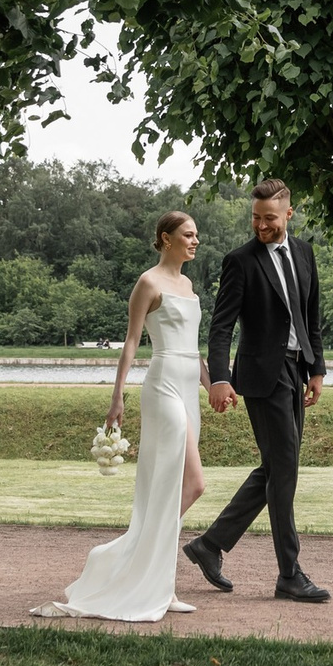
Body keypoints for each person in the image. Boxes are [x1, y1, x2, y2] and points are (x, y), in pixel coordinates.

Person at [33, 212, 211, 621]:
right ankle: (133, 555)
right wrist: (117, 396)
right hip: (163, 387)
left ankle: (159, 581)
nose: (195, 241)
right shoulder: (148, 283)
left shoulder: (188, 286)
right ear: (166, 239)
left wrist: (213, 384)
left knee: (180, 488)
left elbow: (193, 348)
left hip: (189, 387)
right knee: (194, 484)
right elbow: (131, 342)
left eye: (196, 235)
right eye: (188, 235)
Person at [182, 180, 332, 603]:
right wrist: (220, 377)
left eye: (269, 218)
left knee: (277, 469)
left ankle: (210, 545)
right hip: (262, 375)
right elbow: (221, 326)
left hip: (296, 369)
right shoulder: (240, 261)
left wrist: (317, 368)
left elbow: (311, 316)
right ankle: (290, 574)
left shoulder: (304, 253)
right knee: (284, 469)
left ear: (289, 214)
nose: (261, 225)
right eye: (255, 218)